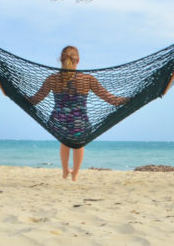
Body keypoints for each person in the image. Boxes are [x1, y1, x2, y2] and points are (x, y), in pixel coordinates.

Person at [28, 46, 127, 181]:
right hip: (79, 123)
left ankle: (65, 171)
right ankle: (75, 173)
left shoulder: (52, 79)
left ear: (61, 60)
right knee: (78, 144)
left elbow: (34, 100)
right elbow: (112, 100)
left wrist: (14, 93)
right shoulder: (87, 79)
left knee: (65, 142)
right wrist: (133, 99)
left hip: (58, 123)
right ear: (78, 60)